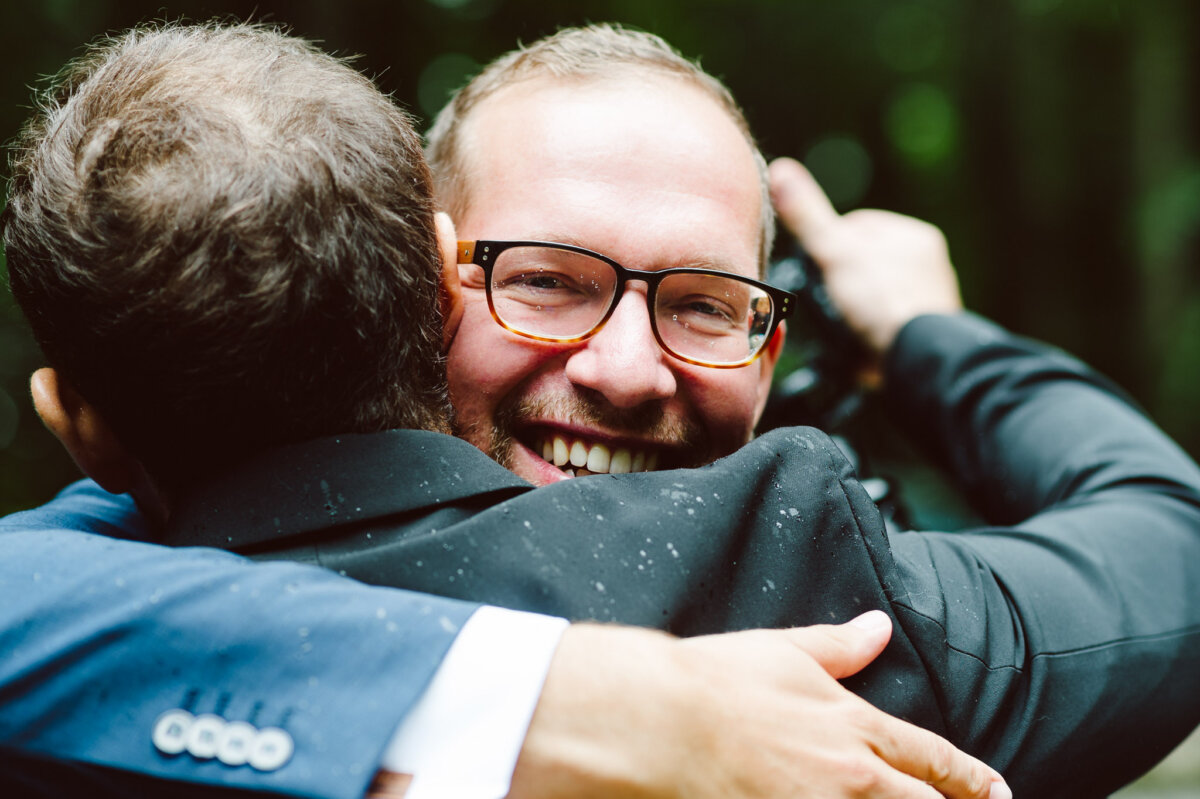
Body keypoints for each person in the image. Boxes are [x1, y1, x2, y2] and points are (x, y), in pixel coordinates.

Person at [7, 20, 1200, 798]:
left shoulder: (107, 567)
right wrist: (934, 342)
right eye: (544, 280)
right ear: (428, 282)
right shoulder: (809, 600)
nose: (628, 370)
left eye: (707, 304)